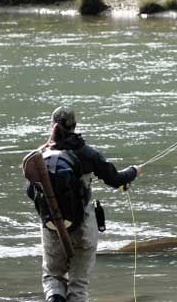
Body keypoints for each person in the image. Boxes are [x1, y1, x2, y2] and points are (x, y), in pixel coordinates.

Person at [33, 105, 141, 302]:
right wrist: (134, 171)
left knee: (53, 276)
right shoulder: (87, 153)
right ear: (75, 126)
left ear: (52, 126)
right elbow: (115, 179)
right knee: (78, 285)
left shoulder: (40, 155)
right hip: (82, 225)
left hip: (51, 225)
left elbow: (30, 191)